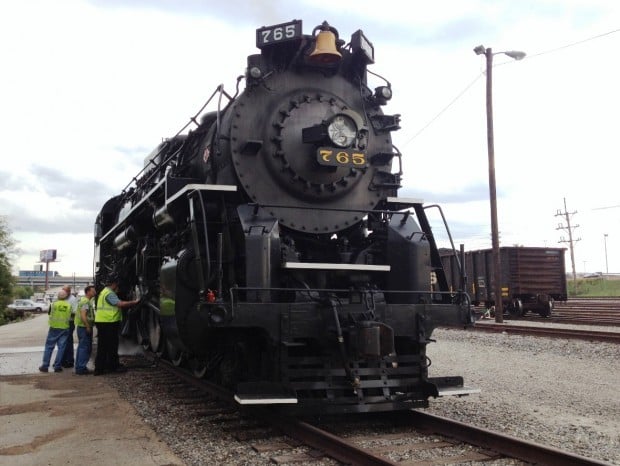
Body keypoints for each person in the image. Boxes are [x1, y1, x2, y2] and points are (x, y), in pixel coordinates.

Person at [94, 274, 139, 375]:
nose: (117, 286)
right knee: (111, 346)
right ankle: (111, 367)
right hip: (108, 323)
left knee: (103, 346)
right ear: (113, 284)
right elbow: (120, 304)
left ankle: (102, 367)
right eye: (116, 284)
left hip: (104, 322)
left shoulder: (104, 292)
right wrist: (134, 302)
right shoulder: (109, 293)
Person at [39, 289, 73, 373]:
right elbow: (70, 315)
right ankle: (57, 366)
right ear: (66, 297)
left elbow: (49, 313)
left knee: (49, 347)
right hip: (65, 328)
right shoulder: (69, 305)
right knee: (61, 348)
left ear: (58, 296)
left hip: (54, 328)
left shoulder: (53, 304)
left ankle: (45, 366)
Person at [74, 285, 97, 375]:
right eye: (93, 291)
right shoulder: (85, 302)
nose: (94, 292)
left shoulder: (86, 301)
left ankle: (79, 367)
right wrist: (87, 326)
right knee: (85, 348)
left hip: (82, 327)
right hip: (84, 328)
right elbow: (83, 315)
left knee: (82, 347)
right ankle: (81, 368)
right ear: (88, 292)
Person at [61, 285, 78, 368]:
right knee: (62, 343)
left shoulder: (73, 299)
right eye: (62, 290)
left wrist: (65, 312)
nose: (62, 292)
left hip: (69, 323)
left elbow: (75, 311)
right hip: (61, 324)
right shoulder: (62, 298)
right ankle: (62, 360)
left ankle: (69, 361)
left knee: (68, 342)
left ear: (69, 291)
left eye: (64, 291)